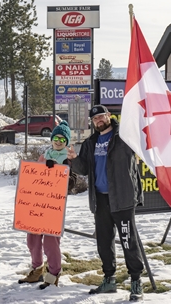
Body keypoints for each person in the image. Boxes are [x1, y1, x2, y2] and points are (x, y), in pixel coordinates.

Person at [67, 105, 144, 301]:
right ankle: (109, 279)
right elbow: (84, 169)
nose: (98, 121)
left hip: (122, 198)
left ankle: (136, 281)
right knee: (104, 242)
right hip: (100, 199)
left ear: (109, 116)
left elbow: (141, 142)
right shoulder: (91, 142)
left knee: (129, 241)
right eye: (94, 119)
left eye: (101, 117)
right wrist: (74, 160)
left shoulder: (124, 136)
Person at [18, 121, 77, 289]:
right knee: (32, 239)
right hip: (37, 205)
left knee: (50, 243)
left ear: (66, 142)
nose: (58, 141)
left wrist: (59, 170)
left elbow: (72, 181)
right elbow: (34, 177)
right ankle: (36, 270)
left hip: (54, 207)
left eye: (62, 139)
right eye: (56, 137)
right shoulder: (44, 155)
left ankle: (54, 274)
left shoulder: (68, 158)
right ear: (51, 139)